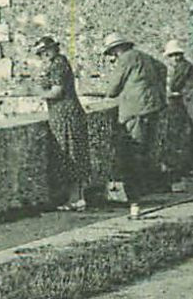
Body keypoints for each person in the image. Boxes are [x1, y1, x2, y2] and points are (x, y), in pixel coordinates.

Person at [101, 32, 169, 200]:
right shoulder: (142, 56)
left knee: (136, 148)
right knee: (148, 147)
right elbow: (163, 68)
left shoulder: (125, 59)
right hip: (152, 106)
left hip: (135, 109)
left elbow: (112, 90)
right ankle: (150, 184)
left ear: (116, 50)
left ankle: (139, 190)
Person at [34, 34, 91, 211]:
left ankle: (76, 199)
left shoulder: (59, 64)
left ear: (54, 49)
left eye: (46, 51)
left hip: (66, 115)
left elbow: (57, 91)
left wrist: (39, 94)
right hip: (61, 115)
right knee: (71, 154)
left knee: (71, 154)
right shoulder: (58, 63)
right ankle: (76, 198)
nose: (44, 55)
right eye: (41, 53)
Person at [163, 39, 193, 175]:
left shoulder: (183, 66)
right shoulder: (185, 65)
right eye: (172, 56)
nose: (174, 59)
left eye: (175, 55)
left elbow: (173, 85)